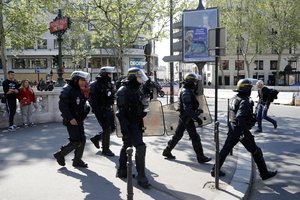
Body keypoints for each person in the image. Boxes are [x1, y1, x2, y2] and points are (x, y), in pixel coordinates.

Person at [211, 79, 277, 180]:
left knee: (225, 150)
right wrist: (246, 133)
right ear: (247, 89)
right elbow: (240, 118)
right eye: (250, 88)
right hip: (241, 130)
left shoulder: (234, 98)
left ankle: (215, 170)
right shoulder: (245, 101)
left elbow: (232, 115)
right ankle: (264, 173)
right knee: (256, 151)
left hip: (233, 129)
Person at [162, 73, 211, 163]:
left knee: (177, 136)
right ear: (191, 82)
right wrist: (197, 118)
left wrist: (197, 112)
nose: (195, 83)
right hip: (186, 118)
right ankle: (201, 157)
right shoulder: (186, 92)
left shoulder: (185, 90)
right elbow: (187, 108)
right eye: (194, 81)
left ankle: (167, 151)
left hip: (185, 118)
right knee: (195, 137)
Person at [115, 67, 150, 188]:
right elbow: (121, 114)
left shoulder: (136, 89)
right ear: (133, 77)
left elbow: (137, 107)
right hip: (129, 124)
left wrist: (143, 111)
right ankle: (141, 177)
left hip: (136, 122)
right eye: (139, 77)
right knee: (140, 147)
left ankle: (122, 170)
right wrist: (125, 130)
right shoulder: (123, 91)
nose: (141, 80)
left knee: (127, 146)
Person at [53, 71, 90, 168]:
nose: (83, 82)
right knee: (75, 141)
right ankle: (60, 155)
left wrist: (86, 108)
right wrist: (70, 118)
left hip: (79, 119)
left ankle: (77, 160)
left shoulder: (78, 89)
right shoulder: (67, 89)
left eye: (84, 80)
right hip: (71, 120)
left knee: (82, 139)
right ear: (76, 79)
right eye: (82, 80)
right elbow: (63, 106)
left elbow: (81, 103)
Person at [89, 67, 116, 156]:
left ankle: (96, 138)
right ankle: (105, 149)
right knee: (106, 129)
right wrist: (99, 112)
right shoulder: (95, 85)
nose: (110, 76)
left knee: (112, 128)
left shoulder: (110, 84)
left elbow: (112, 96)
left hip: (109, 108)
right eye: (109, 74)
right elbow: (93, 101)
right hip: (100, 110)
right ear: (104, 74)